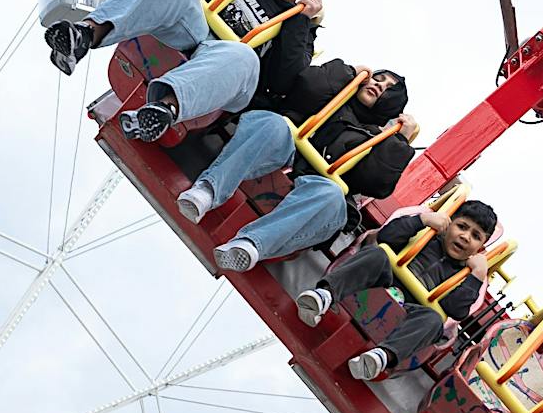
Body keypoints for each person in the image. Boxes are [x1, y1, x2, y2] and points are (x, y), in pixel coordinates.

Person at [44, 0, 338, 139]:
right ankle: (83, 35)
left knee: (243, 55)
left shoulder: (300, 28)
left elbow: (282, 81)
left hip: (229, 71)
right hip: (194, 36)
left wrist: (300, 22)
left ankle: (163, 110)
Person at [176, 63, 420, 275]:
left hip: (320, 189)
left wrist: (400, 142)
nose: (380, 85)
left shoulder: (378, 139)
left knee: (330, 195)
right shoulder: (337, 92)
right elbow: (304, 89)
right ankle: (206, 192)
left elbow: (374, 182)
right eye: (379, 78)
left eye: (389, 89)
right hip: (289, 150)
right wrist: (347, 73)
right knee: (273, 124)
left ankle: (250, 245)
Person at [295, 200, 497, 383]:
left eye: (476, 236)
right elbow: (387, 236)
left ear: (480, 248)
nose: (465, 237)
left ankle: (380, 357)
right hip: (381, 283)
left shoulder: (468, 275)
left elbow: (456, 310)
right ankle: (323, 296)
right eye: (462, 227)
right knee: (378, 254)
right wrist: (422, 220)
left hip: (408, 312)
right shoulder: (426, 233)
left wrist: (477, 275)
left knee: (434, 320)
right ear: (448, 223)